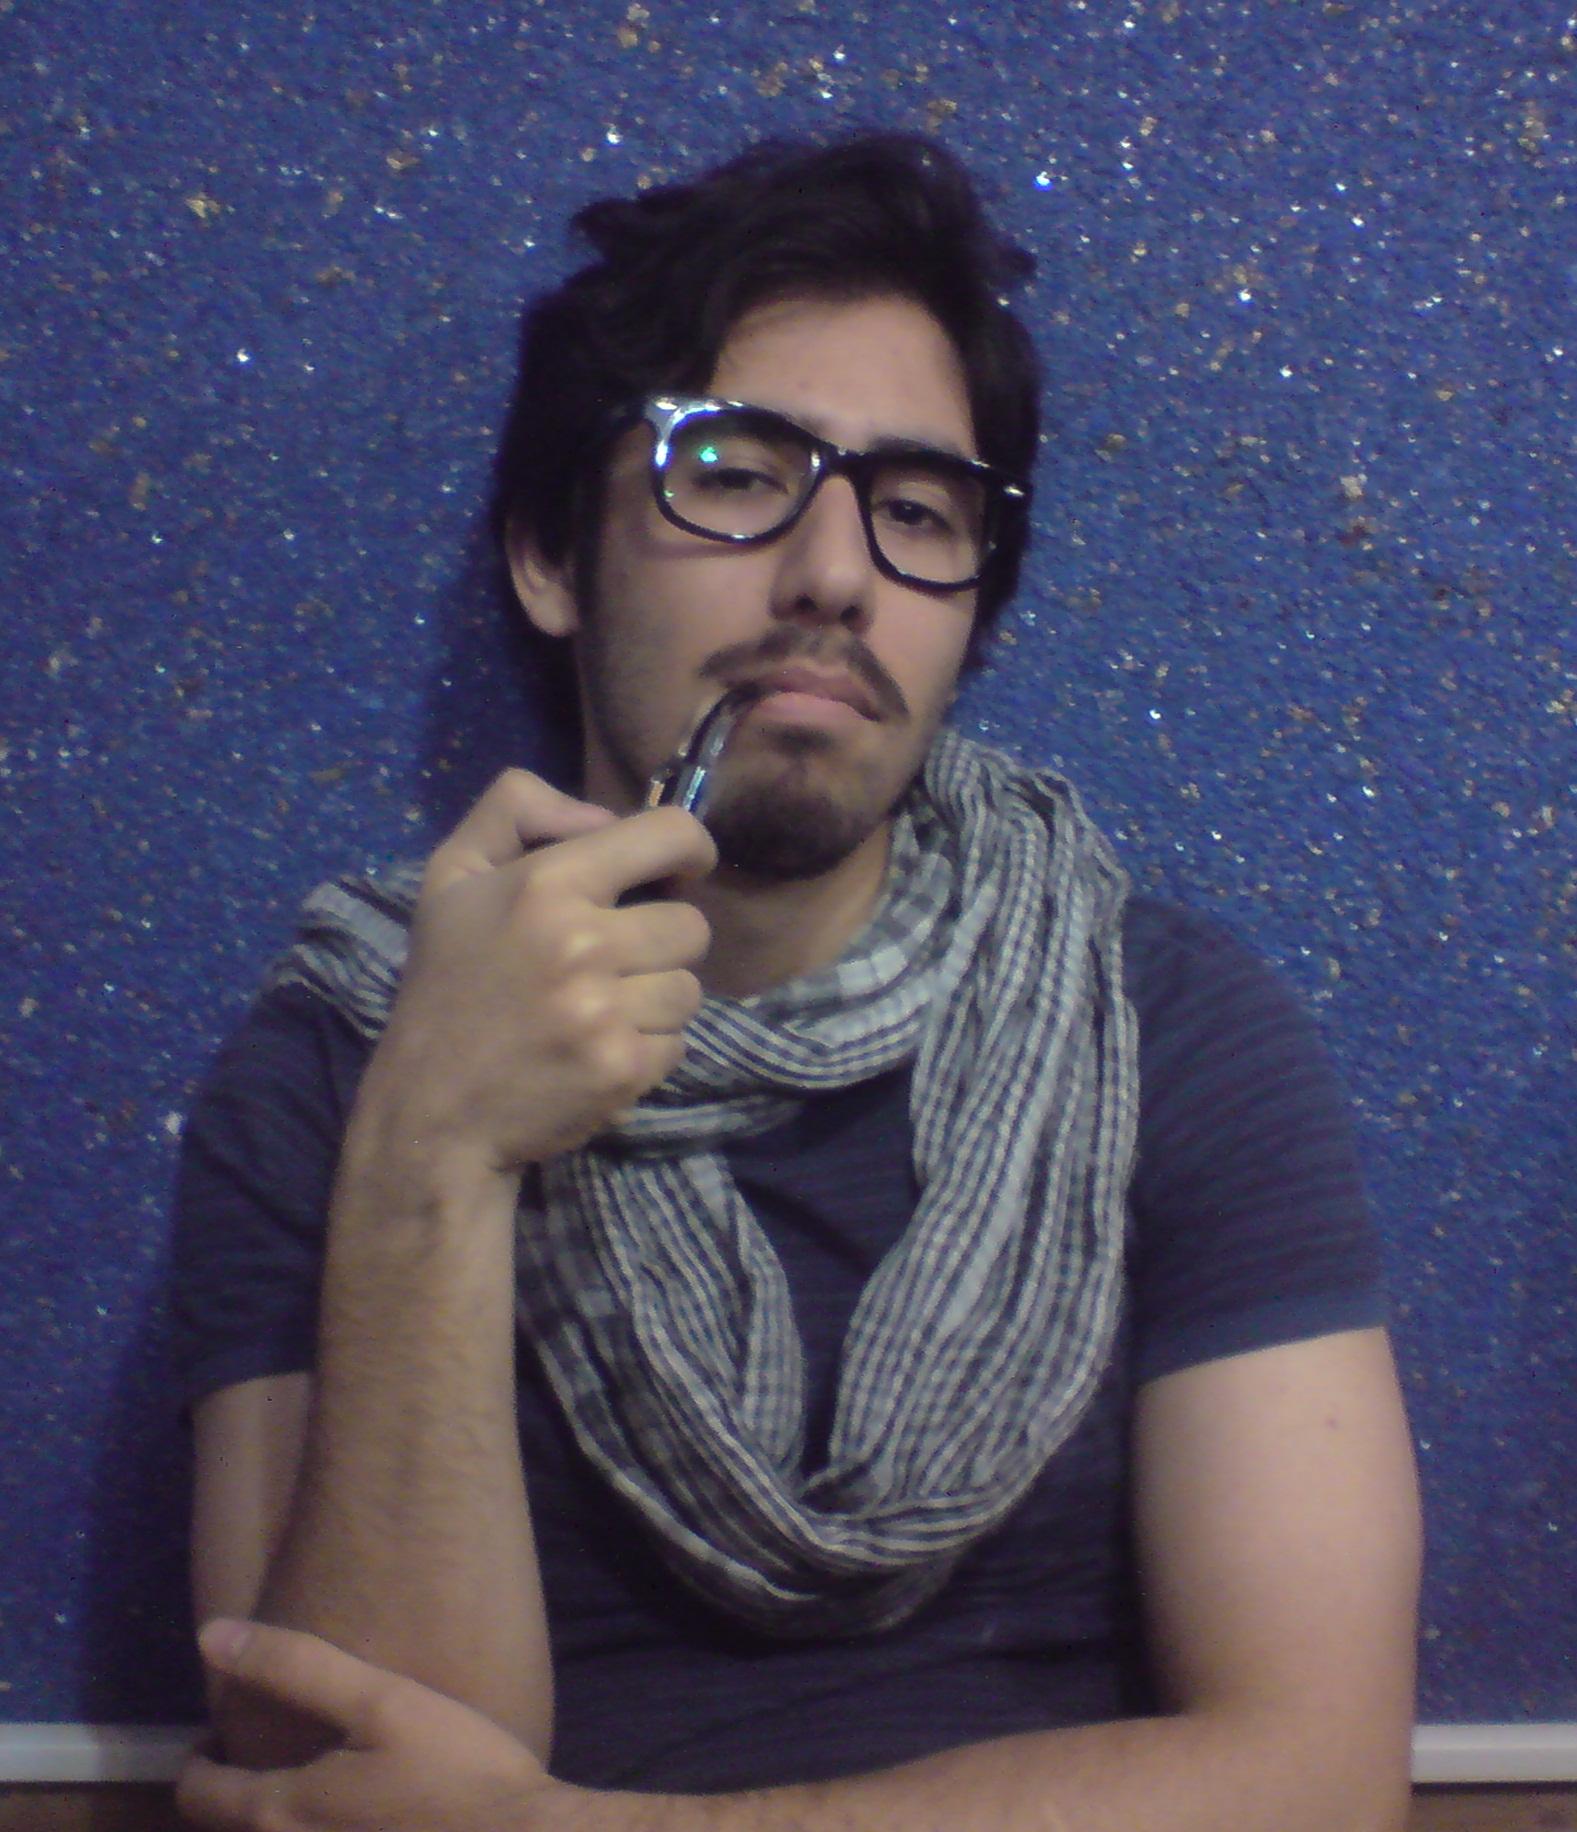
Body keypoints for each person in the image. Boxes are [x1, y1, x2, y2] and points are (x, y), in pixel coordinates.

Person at [171, 134, 1423, 1831]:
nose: (835, 573)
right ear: (550, 555)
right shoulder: (341, 1061)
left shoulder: (1168, 1033)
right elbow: (332, 1788)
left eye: (914, 510)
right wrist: (435, 1153)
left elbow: (1319, 1777)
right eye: (736, 470)